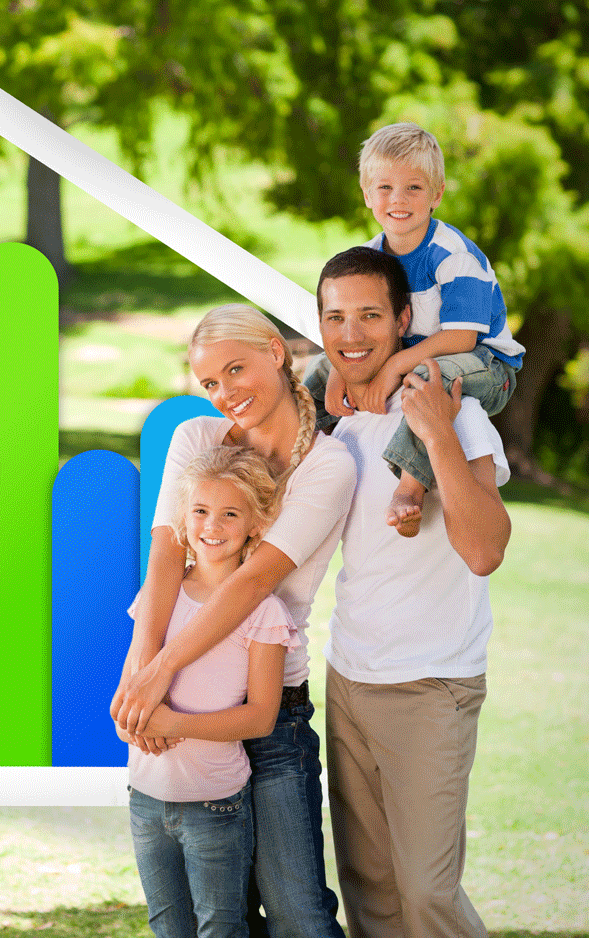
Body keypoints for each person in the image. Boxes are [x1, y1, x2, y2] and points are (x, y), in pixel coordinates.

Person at [112, 303, 354, 938]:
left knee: (297, 914)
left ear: (278, 352)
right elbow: (166, 549)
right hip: (178, 710)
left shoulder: (329, 464)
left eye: (237, 370)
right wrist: (142, 672)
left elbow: (255, 581)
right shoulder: (197, 440)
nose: (225, 395)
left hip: (269, 721)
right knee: (215, 919)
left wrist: (159, 670)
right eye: (210, 383)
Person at [316, 245, 511, 938]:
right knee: (372, 895)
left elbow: (486, 549)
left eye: (370, 314)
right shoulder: (339, 420)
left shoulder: (454, 409)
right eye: (335, 317)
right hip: (349, 679)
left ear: (404, 319)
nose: (351, 333)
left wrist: (435, 432)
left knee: (427, 895)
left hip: (432, 684)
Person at [302, 122, 523, 537]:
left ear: (436, 194)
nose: (397, 200)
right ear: (367, 194)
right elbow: (350, 331)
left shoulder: (454, 257)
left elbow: (462, 339)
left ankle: (410, 487)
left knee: (426, 379)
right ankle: (291, 453)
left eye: (414, 188)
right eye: (384, 188)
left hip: (486, 366)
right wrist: (339, 373)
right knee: (316, 366)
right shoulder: (369, 256)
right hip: (422, 355)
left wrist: (392, 368)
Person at [120, 445, 301, 938]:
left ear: (256, 524)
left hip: (214, 804)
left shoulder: (264, 613)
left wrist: (173, 724)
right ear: (183, 517)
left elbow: (261, 717)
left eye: (229, 513)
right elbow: (124, 696)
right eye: (200, 511)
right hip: (146, 799)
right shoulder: (158, 596)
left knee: (220, 928)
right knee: (167, 927)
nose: (211, 525)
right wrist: (134, 722)